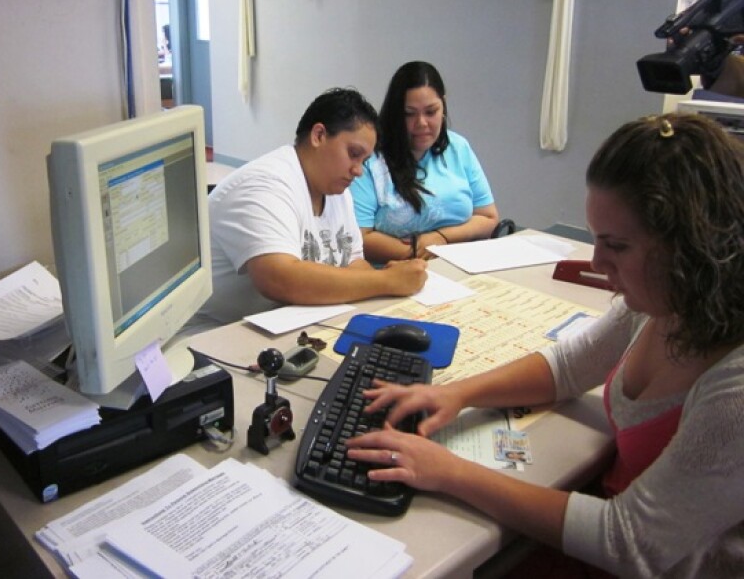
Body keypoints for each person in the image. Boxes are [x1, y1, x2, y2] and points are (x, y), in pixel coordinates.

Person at [346, 113, 744, 577]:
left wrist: (449, 471)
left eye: (616, 246)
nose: (597, 262)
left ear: (690, 247)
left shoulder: (734, 388)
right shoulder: (662, 299)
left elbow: (628, 541)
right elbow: (569, 365)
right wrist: (455, 393)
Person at [192, 87, 428, 328]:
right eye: (353, 154)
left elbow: (353, 262)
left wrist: (383, 285)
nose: (358, 170)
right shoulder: (265, 184)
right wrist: (386, 281)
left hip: (286, 321)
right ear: (319, 135)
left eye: (363, 161)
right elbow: (278, 279)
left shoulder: (337, 190)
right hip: (215, 331)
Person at [349, 61, 499, 264]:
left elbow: (488, 218)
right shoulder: (371, 158)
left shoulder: (458, 147)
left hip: (460, 265)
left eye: (431, 112)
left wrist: (441, 238)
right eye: (409, 114)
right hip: (394, 272)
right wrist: (419, 253)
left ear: (443, 106)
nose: (421, 123)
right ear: (395, 113)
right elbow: (360, 238)